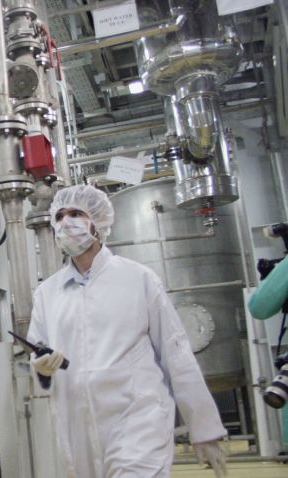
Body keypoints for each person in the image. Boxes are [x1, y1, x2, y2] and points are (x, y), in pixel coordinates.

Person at [27, 185, 228, 477]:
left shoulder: (137, 278)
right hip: (77, 429)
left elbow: (176, 353)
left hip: (138, 419)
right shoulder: (47, 293)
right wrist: (42, 372)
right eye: (59, 216)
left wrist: (204, 428)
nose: (65, 223)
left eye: (75, 214)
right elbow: (37, 354)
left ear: (98, 223)